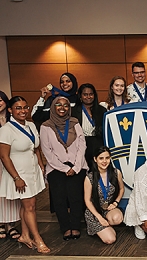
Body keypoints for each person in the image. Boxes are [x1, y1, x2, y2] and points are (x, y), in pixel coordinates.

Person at [0, 96, 50, 253]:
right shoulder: (6, 130)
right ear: (10, 110)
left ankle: (25, 235)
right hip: (19, 173)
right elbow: (4, 156)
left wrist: (41, 165)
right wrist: (16, 178)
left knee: (26, 205)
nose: (23, 111)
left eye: (25, 107)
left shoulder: (31, 125)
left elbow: (35, 147)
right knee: (30, 206)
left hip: (32, 171)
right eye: (18, 108)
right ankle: (38, 239)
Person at [40, 96, 88, 241]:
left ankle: (75, 226)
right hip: (56, 168)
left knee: (76, 198)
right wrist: (63, 168)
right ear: (53, 107)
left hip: (76, 166)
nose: (62, 108)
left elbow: (82, 145)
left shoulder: (74, 123)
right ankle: (65, 227)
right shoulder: (45, 126)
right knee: (59, 199)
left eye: (66, 105)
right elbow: (46, 151)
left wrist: (76, 166)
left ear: (69, 107)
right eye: (58, 105)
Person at [83, 146, 124, 244]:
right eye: (101, 158)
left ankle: (106, 226)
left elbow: (122, 189)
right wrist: (100, 218)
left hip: (108, 209)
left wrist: (115, 202)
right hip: (95, 212)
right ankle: (105, 228)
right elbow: (87, 201)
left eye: (107, 158)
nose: (104, 161)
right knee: (110, 240)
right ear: (95, 159)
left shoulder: (116, 172)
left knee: (118, 218)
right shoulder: (90, 177)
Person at [0, 91, 22, 242]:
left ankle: (11, 224)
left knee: (11, 191)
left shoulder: (13, 119)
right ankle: (0, 222)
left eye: (1, 100)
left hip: (12, 159)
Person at [72, 83, 107, 169]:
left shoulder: (102, 110)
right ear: (80, 96)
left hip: (98, 143)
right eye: (85, 94)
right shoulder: (74, 111)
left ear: (94, 95)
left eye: (91, 94)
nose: (88, 97)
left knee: (98, 170)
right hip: (81, 143)